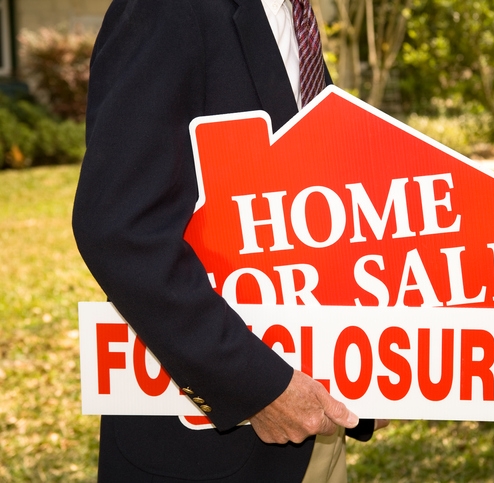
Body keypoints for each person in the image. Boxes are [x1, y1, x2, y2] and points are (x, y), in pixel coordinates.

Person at [72, 0, 382, 481]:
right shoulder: (166, 9)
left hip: (318, 434)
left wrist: (371, 382)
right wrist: (257, 389)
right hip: (207, 452)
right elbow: (120, 229)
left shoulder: (296, 16)